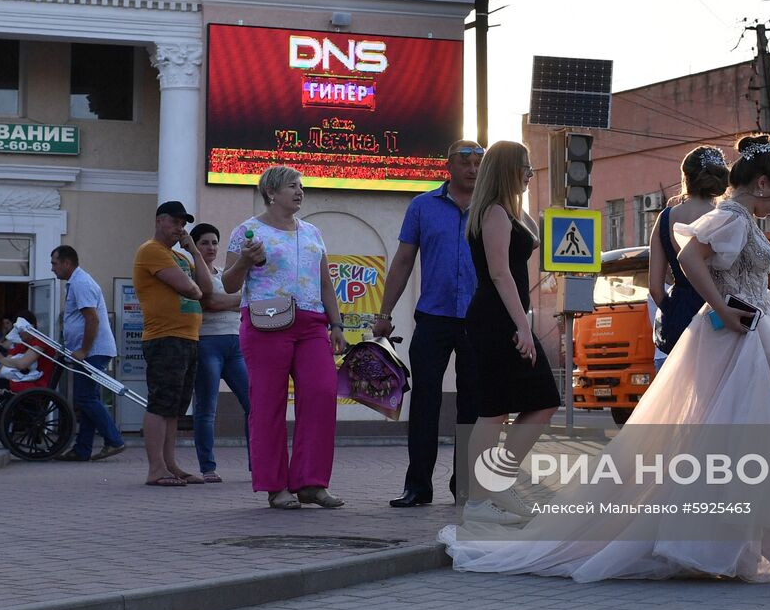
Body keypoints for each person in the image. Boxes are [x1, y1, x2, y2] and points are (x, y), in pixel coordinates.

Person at [439, 134, 770, 582]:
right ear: (762, 183)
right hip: (741, 339)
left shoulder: (740, 217)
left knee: (754, 446)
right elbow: (692, 260)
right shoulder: (733, 218)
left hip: (760, 336)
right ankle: (752, 546)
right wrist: (723, 307)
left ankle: (755, 547)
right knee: (750, 445)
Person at [224, 166, 347, 509]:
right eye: (292, 186)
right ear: (272, 193)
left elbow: (325, 283)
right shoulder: (247, 231)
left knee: (322, 393)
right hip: (266, 322)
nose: (299, 191)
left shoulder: (312, 232)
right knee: (267, 404)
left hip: (311, 324)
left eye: (301, 186)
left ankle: (311, 483)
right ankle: (275, 486)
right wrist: (245, 262)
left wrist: (336, 325)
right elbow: (230, 285)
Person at [374, 139, 483, 508]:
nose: (472, 168)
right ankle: (418, 486)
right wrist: (384, 314)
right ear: (448, 167)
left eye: (478, 161)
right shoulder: (422, 206)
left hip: (478, 320)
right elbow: (403, 261)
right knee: (425, 401)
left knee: (473, 405)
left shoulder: (494, 206)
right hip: (433, 317)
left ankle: (465, 486)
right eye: (464, 161)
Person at [458, 140, 560, 525]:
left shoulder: (506, 211)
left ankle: (495, 485)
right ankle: (481, 500)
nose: (530, 174)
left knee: (540, 401)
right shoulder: (493, 214)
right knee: (494, 410)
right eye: (525, 168)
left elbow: (532, 238)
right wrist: (522, 325)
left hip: (504, 318)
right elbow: (500, 274)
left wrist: (523, 195)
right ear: (506, 171)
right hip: (496, 319)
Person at [134, 201, 213, 487]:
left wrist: (193, 249)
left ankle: (170, 465)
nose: (181, 228)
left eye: (183, 223)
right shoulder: (151, 251)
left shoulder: (183, 257)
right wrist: (197, 289)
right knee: (161, 403)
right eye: (176, 222)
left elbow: (207, 287)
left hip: (187, 337)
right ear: (160, 221)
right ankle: (156, 469)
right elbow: (191, 288)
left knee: (175, 408)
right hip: (165, 337)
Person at [647, 146, 729, 372]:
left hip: (682, 315)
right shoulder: (726, 217)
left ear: (685, 178)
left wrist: (674, 311)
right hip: (721, 312)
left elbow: (655, 288)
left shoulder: (665, 219)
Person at [52, 245, 128, 463]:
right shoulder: (76, 282)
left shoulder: (81, 283)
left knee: (85, 397)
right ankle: (82, 449)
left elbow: (92, 319)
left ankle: (113, 439)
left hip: (93, 351)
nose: (52, 268)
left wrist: (83, 350)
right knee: (88, 399)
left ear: (67, 263)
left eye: (54, 263)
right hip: (90, 350)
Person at [189, 222, 249, 482]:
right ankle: (208, 467)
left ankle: (258, 463)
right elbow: (209, 301)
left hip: (236, 345)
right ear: (195, 246)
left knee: (254, 405)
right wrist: (232, 302)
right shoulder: (193, 274)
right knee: (206, 408)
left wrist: (227, 302)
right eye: (204, 243)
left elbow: (245, 302)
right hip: (207, 344)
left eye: (214, 242)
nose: (211, 247)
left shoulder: (226, 274)